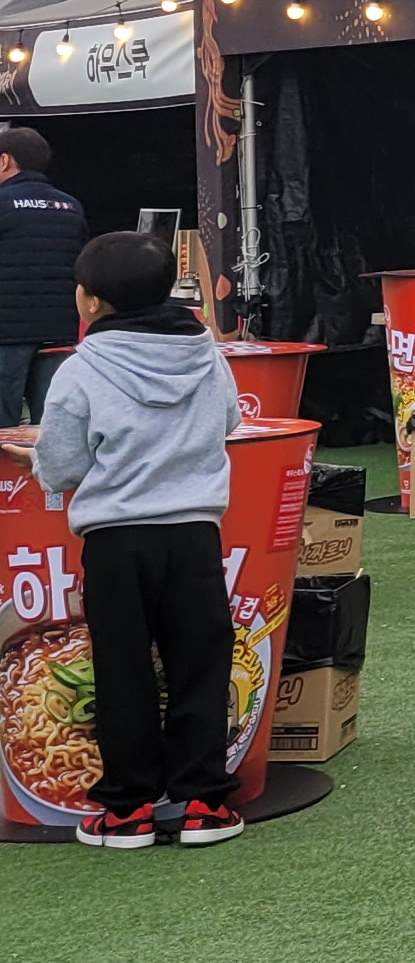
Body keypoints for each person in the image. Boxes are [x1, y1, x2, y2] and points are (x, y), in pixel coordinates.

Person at [2, 229, 244, 849]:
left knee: (122, 666)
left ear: (90, 301)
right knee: (200, 662)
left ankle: (127, 810)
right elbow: (229, 420)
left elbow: (62, 466)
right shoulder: (206, 353)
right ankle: (203, 803)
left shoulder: (81, 368)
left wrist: (37, 457)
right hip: (193, 533)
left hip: (115, 539)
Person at [0, 125, 85, 429]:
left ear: (4, 161)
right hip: (59, 331)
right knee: (52, 426)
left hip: (6, 335)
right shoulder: (71, 207)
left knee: (3, 427)